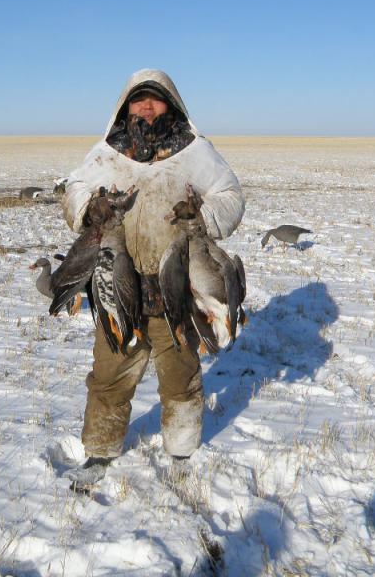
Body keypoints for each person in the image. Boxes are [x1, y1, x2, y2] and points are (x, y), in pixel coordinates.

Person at [61, 69, 245, 490]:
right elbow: (74, 189)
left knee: (180, 374)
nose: (146, 106)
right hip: (117, 288)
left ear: (172, 103)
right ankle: (100, 450)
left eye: (155, 98)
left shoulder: (195, 151)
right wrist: (89, 209)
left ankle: (181, 450)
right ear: (125, 105)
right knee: (110, 374)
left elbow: (231, 196)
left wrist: (203, 216)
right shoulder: (107, 153)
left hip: (176, 288)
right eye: (138, 99)